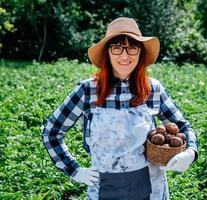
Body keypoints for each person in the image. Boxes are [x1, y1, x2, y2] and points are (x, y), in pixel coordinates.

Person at [42, 17, 198, 200]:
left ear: (140, 52)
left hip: (150, 190)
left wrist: (190, 153)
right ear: (107, 53)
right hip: (104, 190)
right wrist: (74, 170)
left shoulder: (152, 89)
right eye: (116, 47)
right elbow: (51, 133)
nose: (125, 56)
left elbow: (182, 126)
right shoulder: (88, 90)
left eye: (132, 47)